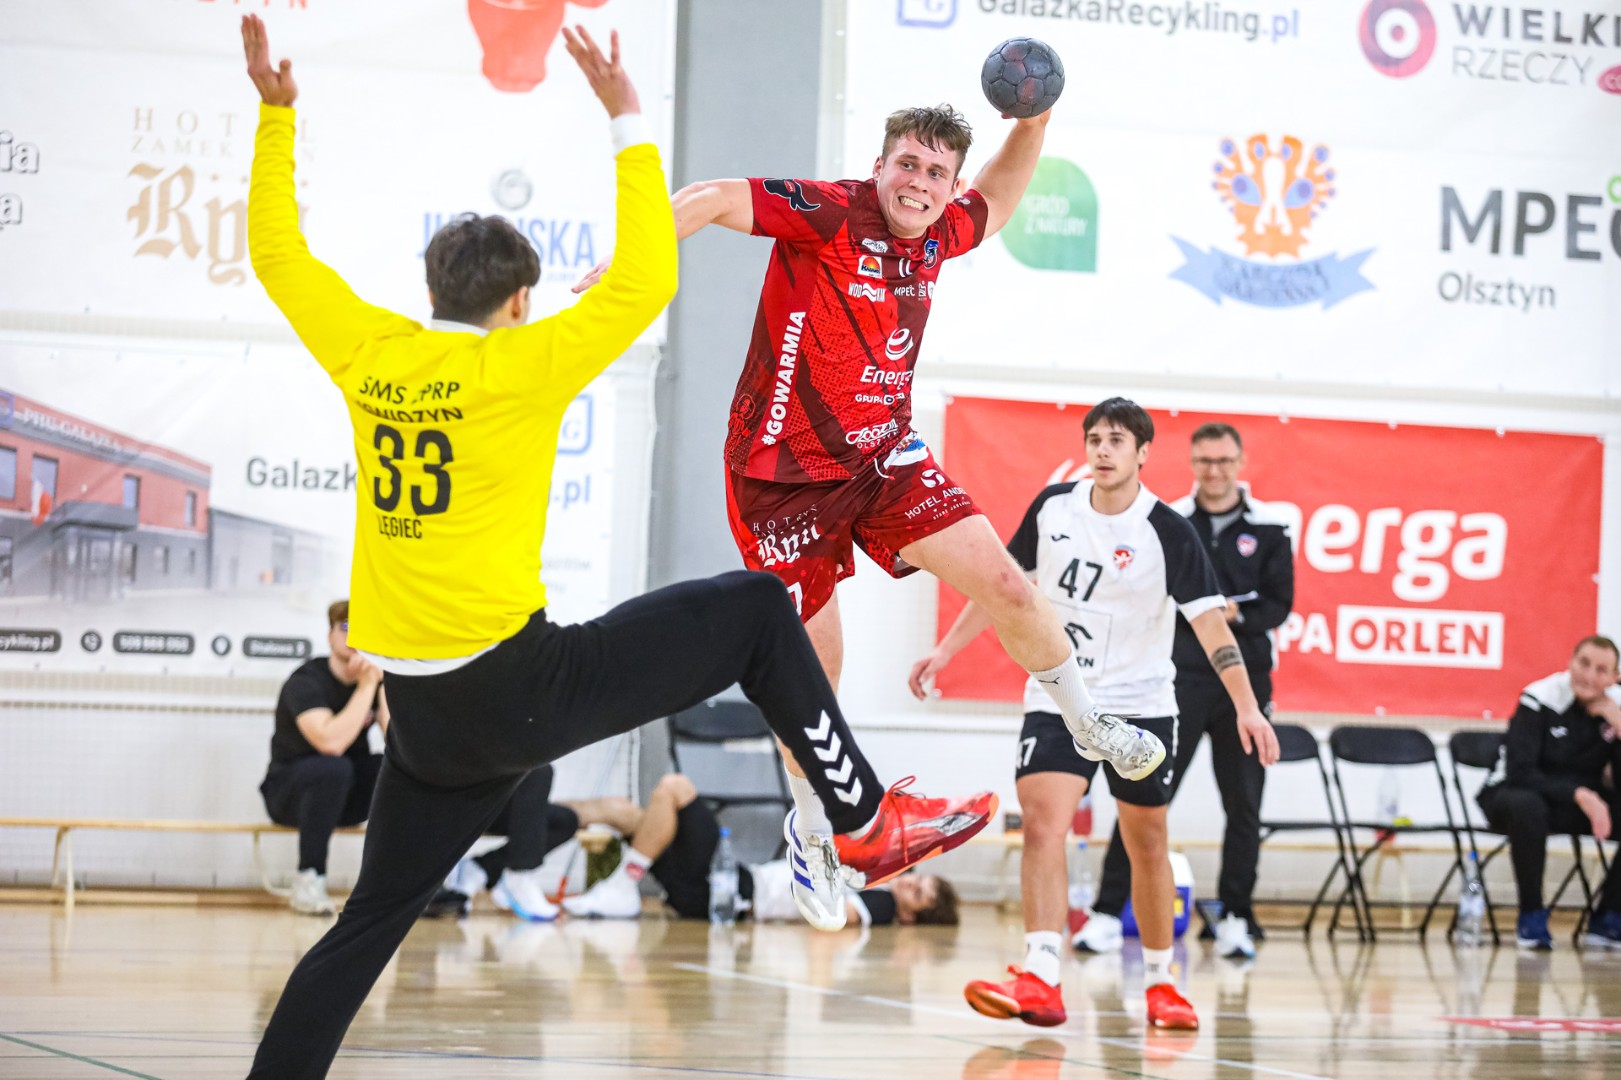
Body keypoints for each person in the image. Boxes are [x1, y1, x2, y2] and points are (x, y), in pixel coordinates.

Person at [240, 17, 993, 1078]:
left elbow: (277, 255)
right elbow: (643, 278)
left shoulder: (370, 352)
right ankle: (863, 821)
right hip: (516, 686)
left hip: (422, 717)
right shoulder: (526, 362)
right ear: (519, 302)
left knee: (365, 927)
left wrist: (275, 118)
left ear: (429, 290)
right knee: (754, 612)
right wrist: (626, 116)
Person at [576, 99, 1167, 853]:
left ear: (949, 186)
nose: (919, 182)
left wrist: (1033, 125)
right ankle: (814, 832)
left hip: (883, 454)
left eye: (936, 173)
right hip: (780, 478)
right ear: (879, 166)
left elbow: (998, 197)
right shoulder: (829, 212)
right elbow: (716, 196)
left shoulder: (941, 233)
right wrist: (636, 257)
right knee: (813, 670)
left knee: (1010, 586)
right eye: (907, 164)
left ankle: (1086, 722)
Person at [912, 398, 1280, 1031]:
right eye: (1095, 439)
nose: (1103, 450)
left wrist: (1248, 708)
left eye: (1117, 441)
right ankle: (1041, 975)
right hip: (1059, 696)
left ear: (1143, 453)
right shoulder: (1054, 507)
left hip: (1139, 706)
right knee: (1042, 824)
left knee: (1147, 841)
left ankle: (1162, 982)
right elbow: (1005, 588)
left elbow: (1213, 628)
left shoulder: (1167, 529)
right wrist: (944, 651)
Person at [1083, 421, 1294, 960]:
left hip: (1245, 683)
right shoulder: (1169, 520)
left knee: (1244, 804)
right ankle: (1106, 913)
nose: (1214, 471)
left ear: (1240, 463)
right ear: (1192, 463)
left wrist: (1230, 612)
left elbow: (1278, 604)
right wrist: (1205, 609)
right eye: (1205, 461)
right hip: (1178, 681)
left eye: (1223, 461)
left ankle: (1236, 918)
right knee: (1145, 796)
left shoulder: (1271, 526)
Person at [561, 773, 960, 927]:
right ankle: (532, 834)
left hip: (727, 891)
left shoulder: (882, 905)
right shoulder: (879, 879)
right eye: (919, 881)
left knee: (675, 787)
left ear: (910, 917)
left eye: (918, 895)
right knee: (623, 812)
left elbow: (836, 919)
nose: (911, 884)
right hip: (717, 882)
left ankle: (622, 886)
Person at [1477, 635, 1621, 950]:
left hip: (1574, 803)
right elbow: (1521, 772)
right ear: (1570, 662)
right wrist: (1580, 795)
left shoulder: (1616, 708)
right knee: (1528, 805)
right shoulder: (1539, 698)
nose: (1589, 675)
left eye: (1601, 670)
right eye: (1583, 663)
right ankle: (1531, 915)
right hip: (1512, 795)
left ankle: (1609, 916)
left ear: (1614, 678)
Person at [260, 599, 388, 916]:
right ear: (330, 635)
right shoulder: (305, 681)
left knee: (393, 768)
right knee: (333, 767)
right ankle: (309, 878)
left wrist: (385, 685)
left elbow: (400, 744)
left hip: (344, 800)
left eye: (362, 629)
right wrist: (366, 686)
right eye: (345, 627)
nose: (353, 636)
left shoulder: (378, 680)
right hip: (289, 795)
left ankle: (400, 883)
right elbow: (330, 743)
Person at [418, 765, 567, 921]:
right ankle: (517, 877)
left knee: (564, 822)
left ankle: (479, 869)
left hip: (492, 801)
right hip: (457, 803)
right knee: (538, 771)